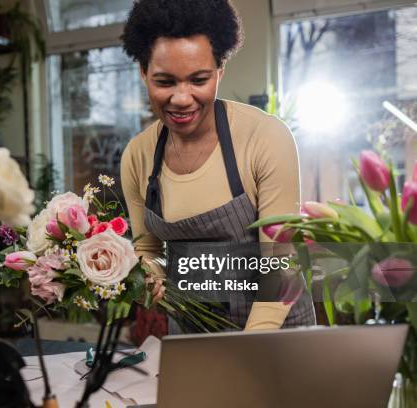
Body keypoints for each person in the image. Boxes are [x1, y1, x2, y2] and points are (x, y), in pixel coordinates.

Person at [120, 0, 316, 330]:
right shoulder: (137, 156)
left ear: (220, 72)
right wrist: (149, 278)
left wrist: (248, 349)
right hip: (192, 333)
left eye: (199, 80)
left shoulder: (264, 137)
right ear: (143, 72)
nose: (182, 98)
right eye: (165, 82)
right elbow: (147, 247)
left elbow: (281, 262)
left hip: (275, 336)